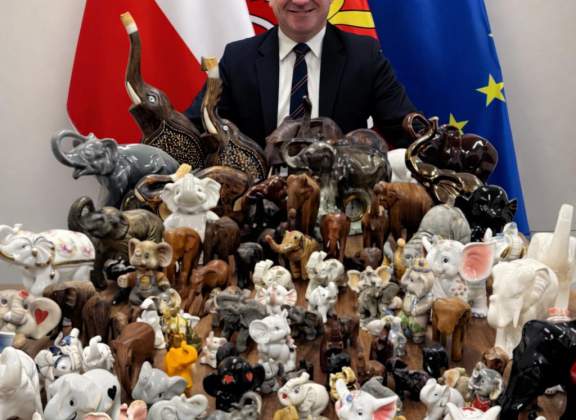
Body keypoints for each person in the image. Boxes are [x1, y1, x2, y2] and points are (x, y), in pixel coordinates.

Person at [186, 0, 417, 149]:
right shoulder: (237, 59)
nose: (300, 1)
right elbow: (193, 132)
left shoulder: (364, 56)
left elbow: (411, 133)